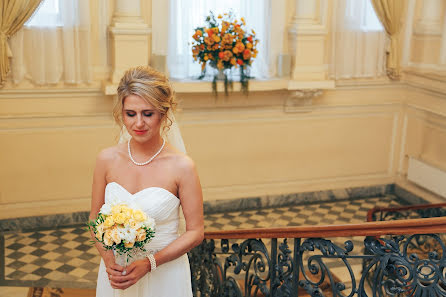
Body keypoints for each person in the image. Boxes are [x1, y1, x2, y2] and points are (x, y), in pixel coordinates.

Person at [90, 66, 204, 297]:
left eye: (147, 114)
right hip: (118, 273)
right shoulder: (106, 159)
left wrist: (150, 263)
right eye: (130, 114)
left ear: (163, 113)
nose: (138, 123)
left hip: (165, 273)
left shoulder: (182, 166)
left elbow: (196, 231)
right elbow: (94, 219)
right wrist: (108, 259)